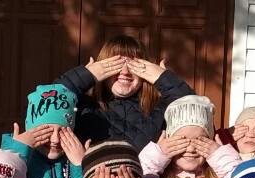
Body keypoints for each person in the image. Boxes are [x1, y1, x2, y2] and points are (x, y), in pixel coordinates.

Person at [59, 34, 196, 150]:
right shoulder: (83, 106)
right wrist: (84, 76)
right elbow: (51, 100)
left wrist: (163, 78)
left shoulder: (159, 109)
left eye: (132, 65)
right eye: (117, 64)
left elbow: (193, 108)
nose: (125, 72)